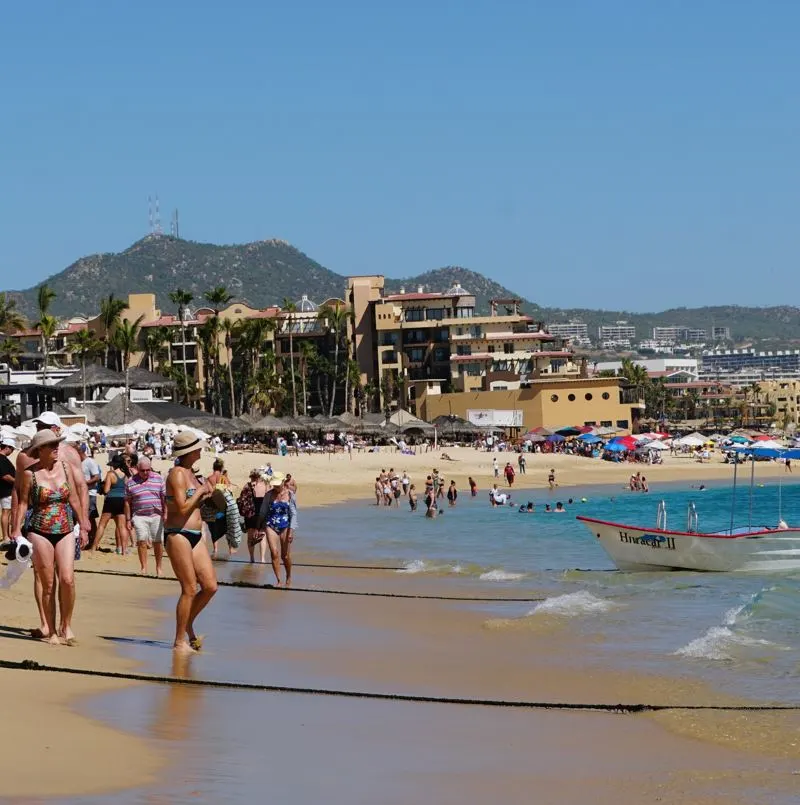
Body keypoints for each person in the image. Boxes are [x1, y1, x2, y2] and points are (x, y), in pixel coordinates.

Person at [10, 412, 89, 640]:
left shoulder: (65, 468)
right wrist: (16, 529)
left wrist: (83, 524)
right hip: (39, 529)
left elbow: (74, 497)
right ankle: (51, 629)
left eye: (56, 444)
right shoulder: (29, 474)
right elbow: (23, 501)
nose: (56, 447)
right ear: (40, 450)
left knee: (67, 579)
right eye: (51, 445)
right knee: (48, 583)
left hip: (65, 528)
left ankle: (66, 625)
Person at [164, 431, 219, 653]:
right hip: (178, 533)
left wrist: (209, 497)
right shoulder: (177, 474)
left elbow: (196, 506)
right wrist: (201, 491)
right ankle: (179, 641)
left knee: (210, 586)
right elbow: (182, 507)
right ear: (188, 451)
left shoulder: (193, 474)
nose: (200, 450)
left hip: (195, 534)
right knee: (189, 588)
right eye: (197, 448)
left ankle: (187, 623)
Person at [125, 457, 166, 576]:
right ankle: (144, 567)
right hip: (139, 516)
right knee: (141, 540)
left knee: (158, 542)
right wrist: (128, 519)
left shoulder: (158, 479)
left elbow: (164, 498)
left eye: (148, 470)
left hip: (157, 515)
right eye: (143, 470)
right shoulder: (131, 482)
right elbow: (127, 502)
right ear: (138, 469)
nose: (145, 472)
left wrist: (166, 513)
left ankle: (159, 567)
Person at [258, 474, 292, 586]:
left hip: (285, 525)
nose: (276, 487)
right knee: (274, 553)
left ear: (283, 482)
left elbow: (294, 514)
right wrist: (259, 528)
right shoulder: (269, 495)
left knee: (285, 555)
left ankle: (288, 576)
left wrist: (291, 531)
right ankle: (278, 580)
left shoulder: (290, 494)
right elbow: (262, 512)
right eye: (275, 485)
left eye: (278, 485)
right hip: (271, 525)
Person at [97, 454, 131, 554]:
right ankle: (124, 550)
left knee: (102, 525)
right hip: (122, 500)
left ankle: (93, 547)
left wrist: (102, 487)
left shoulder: (110, 474)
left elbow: (107, 490)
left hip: (111, 499)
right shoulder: (126, 475)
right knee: (122, 526)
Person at [239, 469, 268, 564]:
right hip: (262, 513)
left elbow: (241, 500)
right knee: (262, 535)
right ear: (259, 477)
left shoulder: (247, 486)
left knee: (250, 536)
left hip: (250, 514)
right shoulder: (265, 485)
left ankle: (252, 558)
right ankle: (262, 559)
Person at [79, 443, 101, 549]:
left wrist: (85, 483)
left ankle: (93, 541)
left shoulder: (90, 462)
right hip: (80, 494)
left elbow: (97, 477)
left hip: (90, 493)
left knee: (90, 517)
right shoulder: (78, 462)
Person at [0, 437, 16, 540]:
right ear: (7, 447)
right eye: (12, 449)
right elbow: (5, 476)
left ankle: (7, 535)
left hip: (5, 490)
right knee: (6, 512)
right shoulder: (2, 459)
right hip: (6, 490)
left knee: (7, 512)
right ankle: (6, 536)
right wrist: (18, 482)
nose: (12, 451)